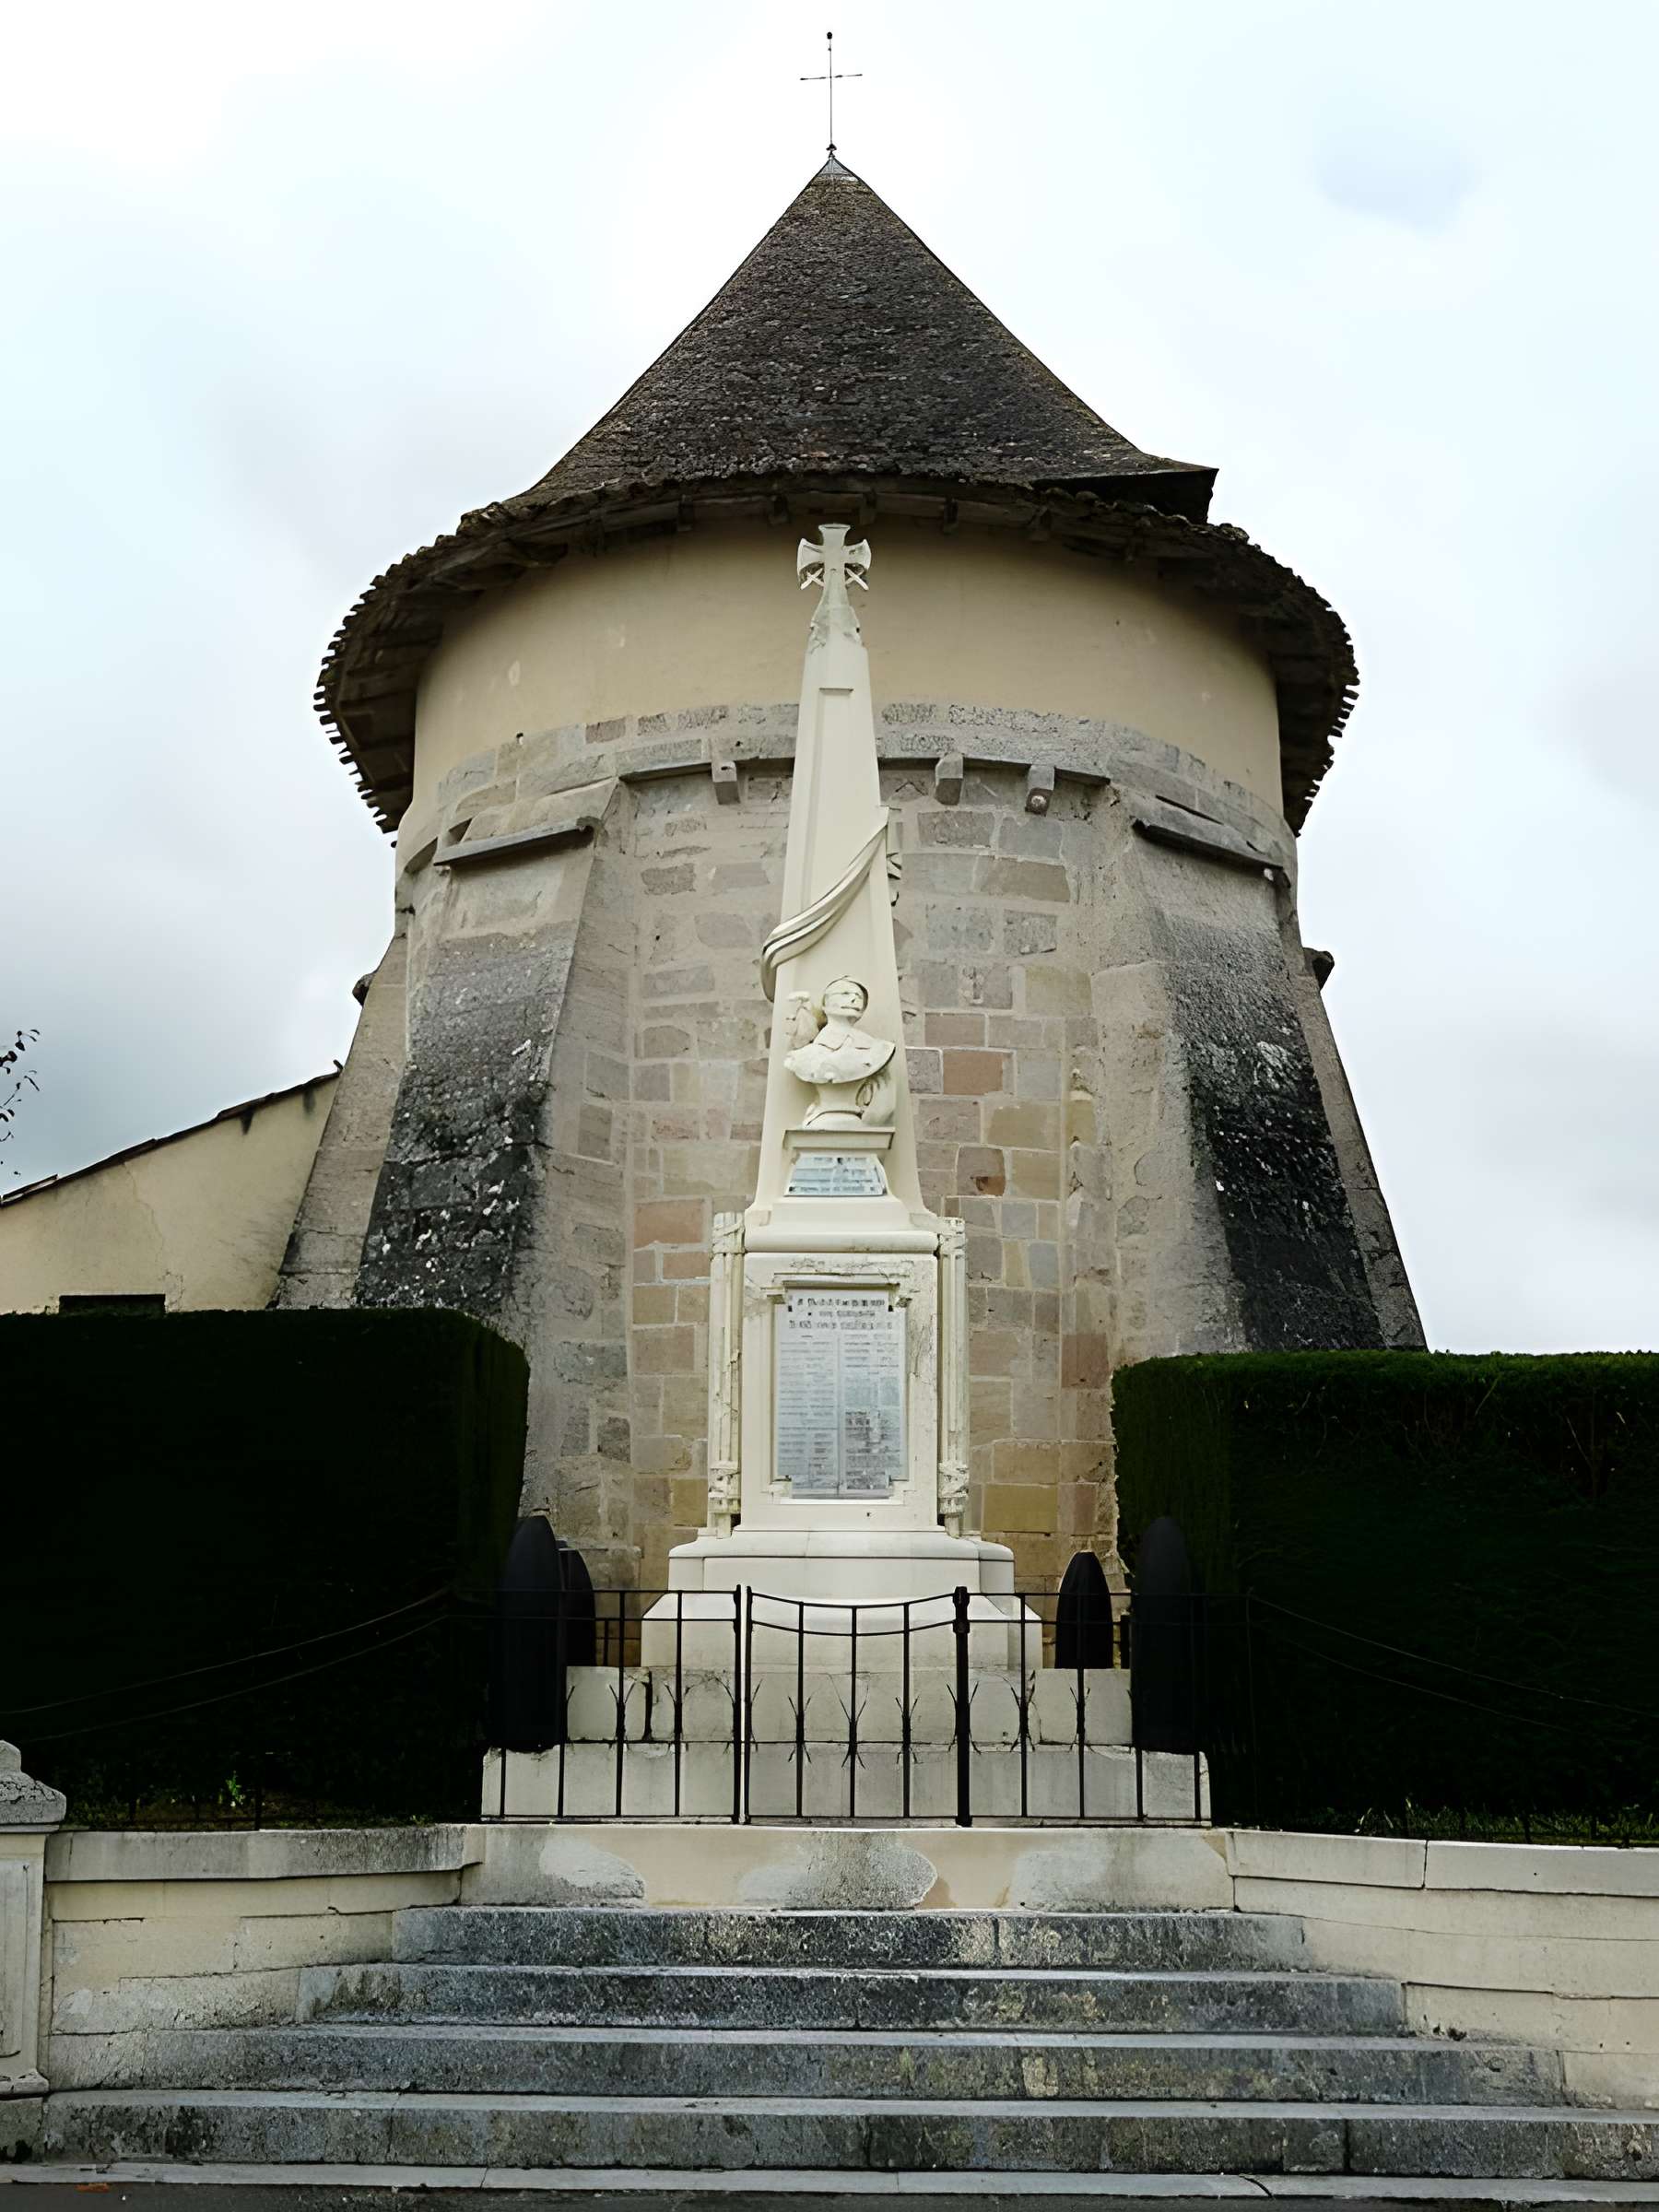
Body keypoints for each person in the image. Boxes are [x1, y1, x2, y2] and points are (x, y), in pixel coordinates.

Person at [782, 976, 897, 1129]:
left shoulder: (878, 1049)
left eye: (859, 997)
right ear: (825, 1003)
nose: (854, 1000)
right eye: (845, 994)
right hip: (822, 1118)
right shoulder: (804, 1056)